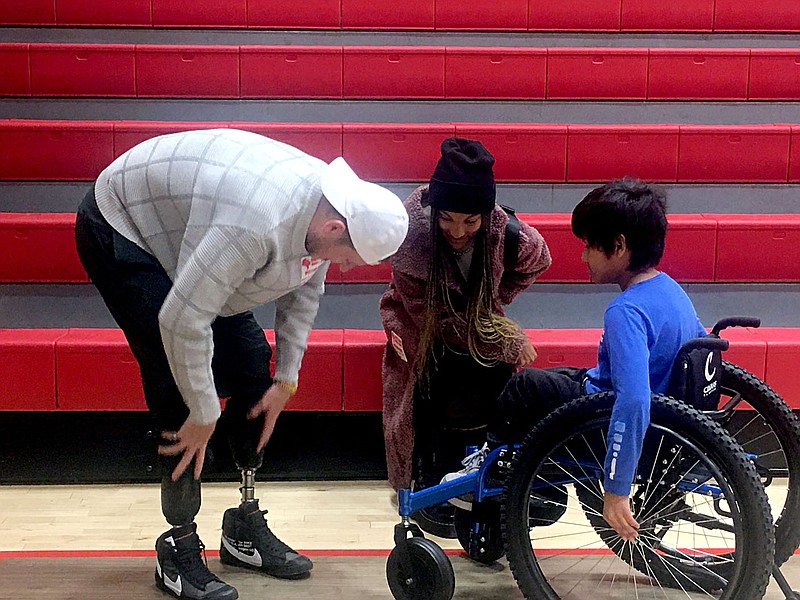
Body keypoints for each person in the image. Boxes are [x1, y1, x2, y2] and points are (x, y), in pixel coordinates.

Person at [74, 128, 408, 600]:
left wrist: (287, 379)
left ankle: (243, 526)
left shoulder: (328, 211)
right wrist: (204, 411)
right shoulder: (255, 222)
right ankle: (179, 544)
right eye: (350, 259)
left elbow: (306, 287)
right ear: (335, 229)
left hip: (189, 225)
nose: (348, 267)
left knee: (254, 363)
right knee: (178, 391)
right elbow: (181, 319)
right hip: (124, 222)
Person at [445, 177, 707, 542]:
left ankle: (493, 469)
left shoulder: (626, 311)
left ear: (618, 246)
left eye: (588, 246)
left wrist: (616, 491)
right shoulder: (671, 291)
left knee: (524, 386)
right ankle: (536, 477)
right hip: (667, 423)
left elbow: (633, 400)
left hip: (618, 424)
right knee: (559, 379)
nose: (583, 256)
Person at [380, 137, 552, 537]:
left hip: (476, 318)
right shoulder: (410, 236)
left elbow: (539, 260)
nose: (457, 230)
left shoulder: (507, 233)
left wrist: (496, 301)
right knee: (433, 370)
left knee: (493, 376)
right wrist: (504, 338)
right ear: (434, 210)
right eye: (448, 218)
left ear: (486, 215)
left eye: (470, 222)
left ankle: (489, 467)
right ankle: (428, 473)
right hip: (418, 320)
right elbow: (437, 320)